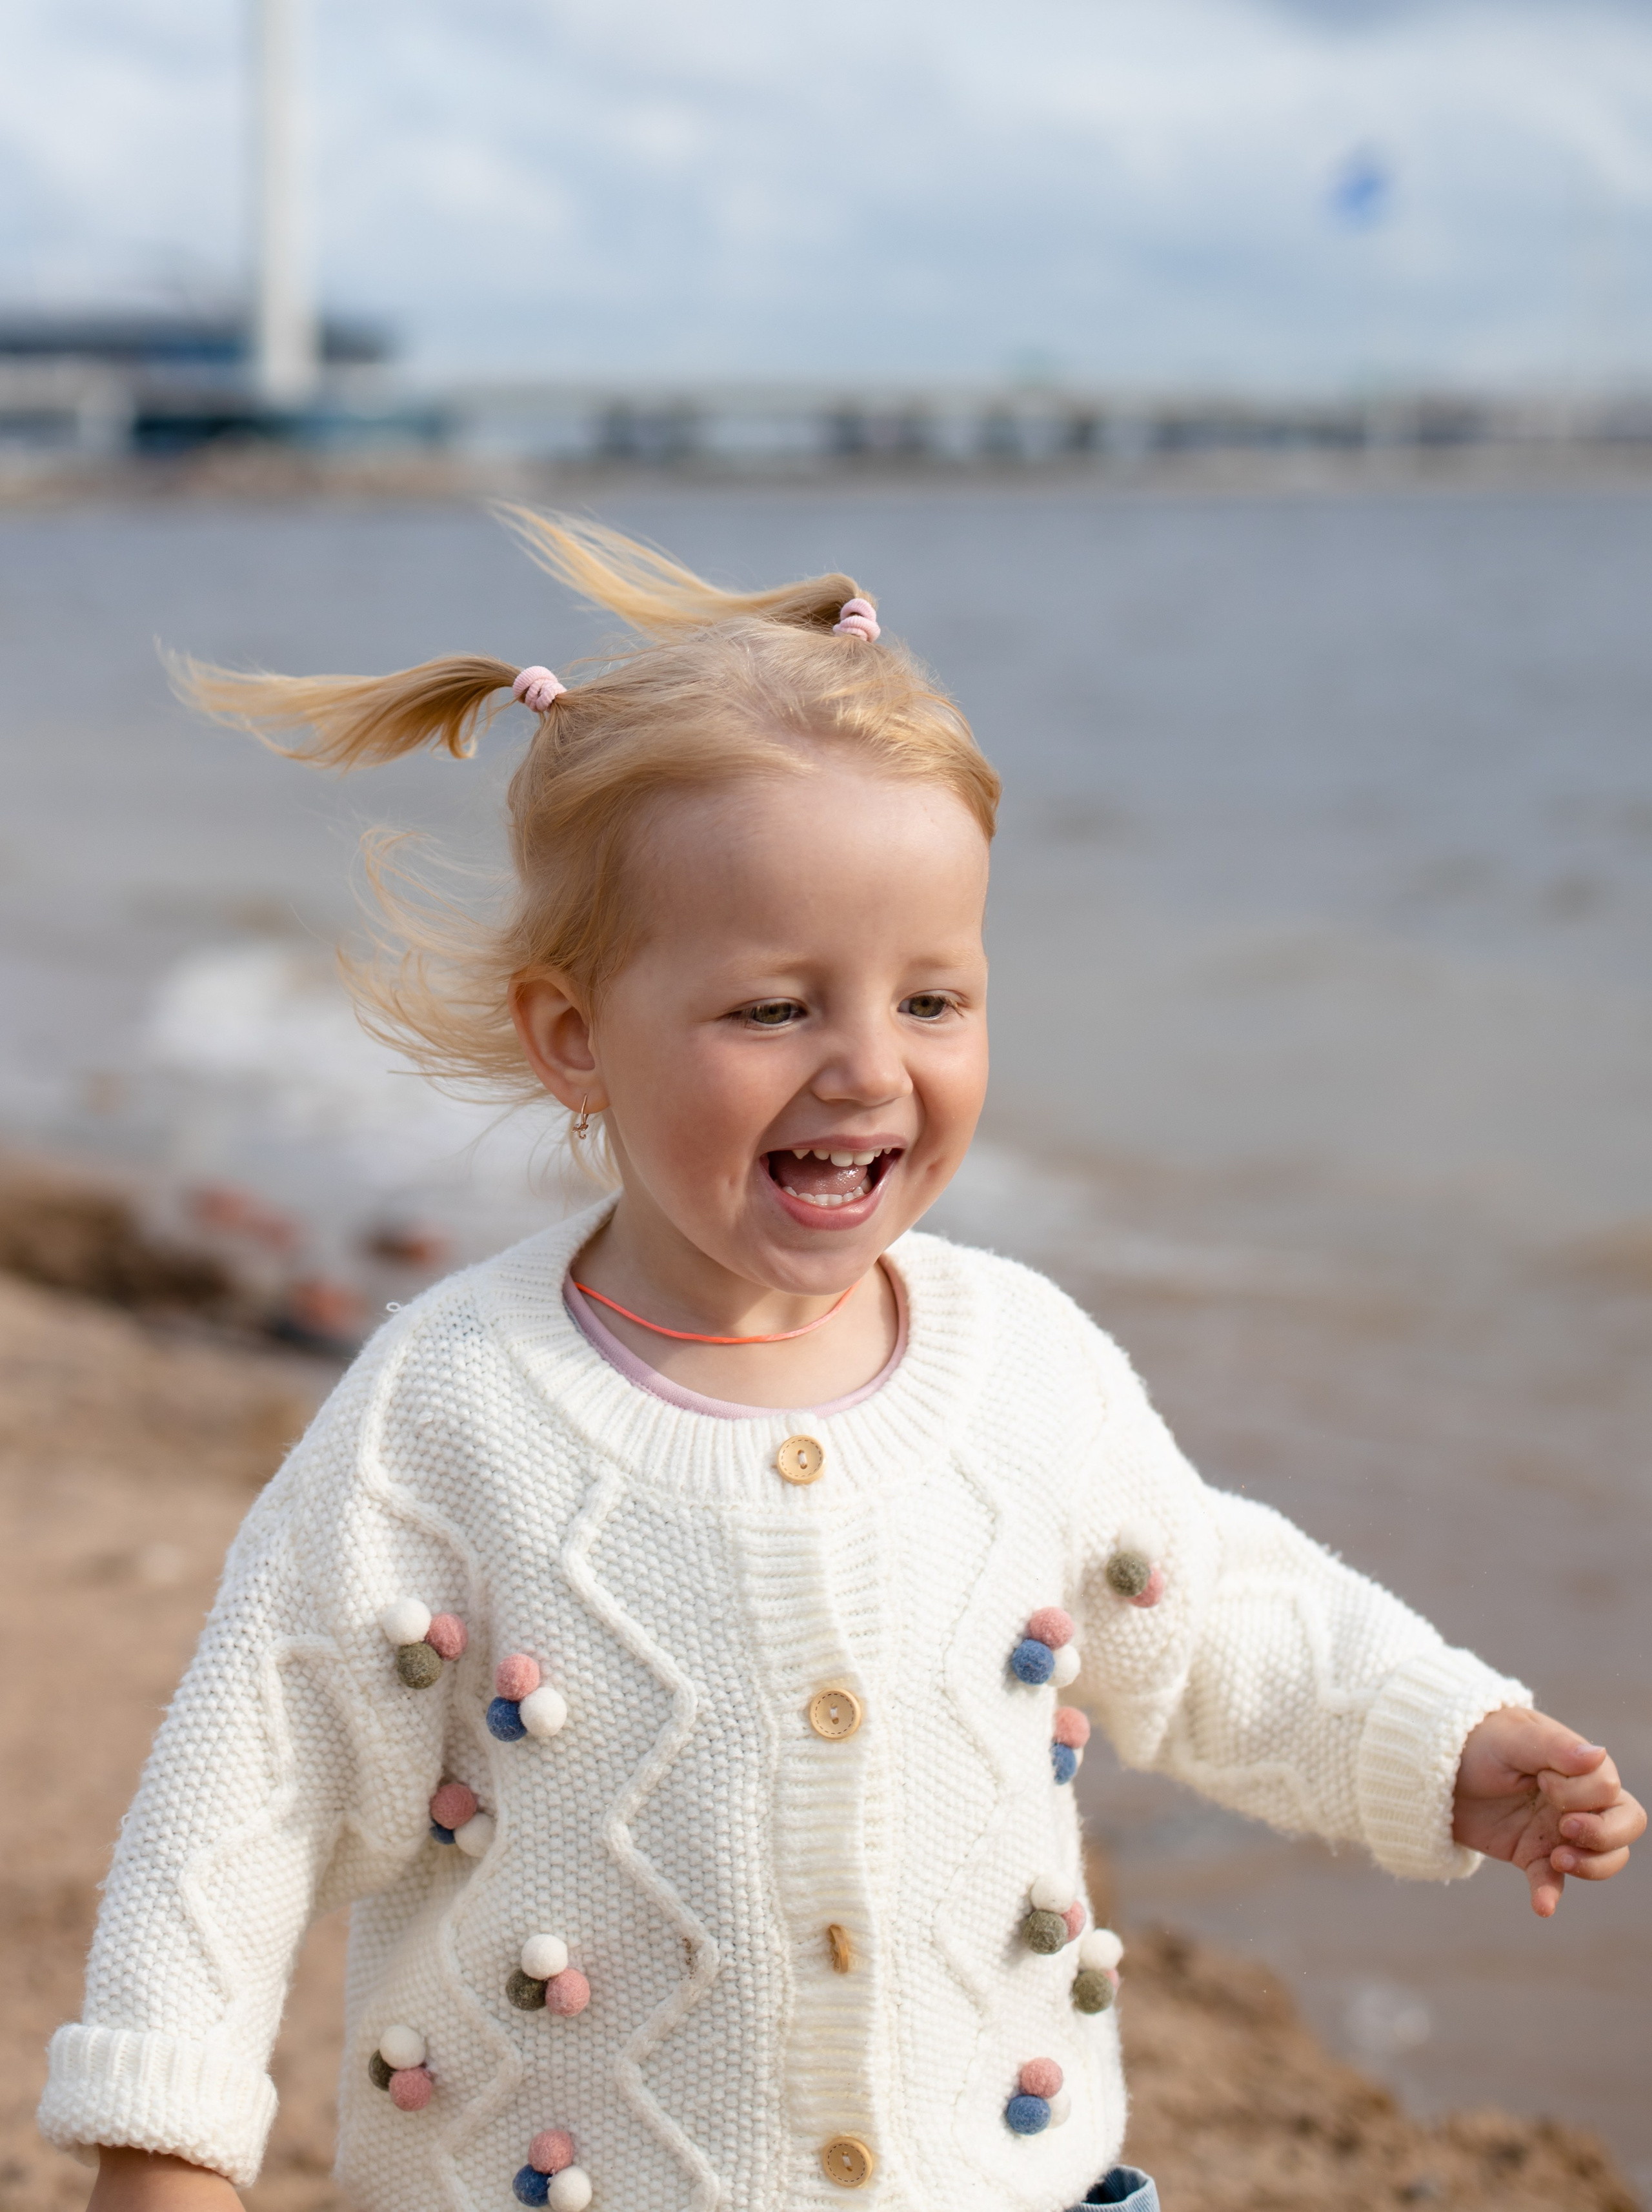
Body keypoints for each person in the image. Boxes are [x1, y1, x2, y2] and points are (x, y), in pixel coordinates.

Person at [42, 517, 1642, 2212]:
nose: (868, 1069)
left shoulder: (1018, 1363)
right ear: (571, 1035)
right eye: (776, 1009)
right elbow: (241, 1800)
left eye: (935, 998)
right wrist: (166, 2150)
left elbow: (1216, 1615)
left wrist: (1439, 1743)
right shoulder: (452, 1411)